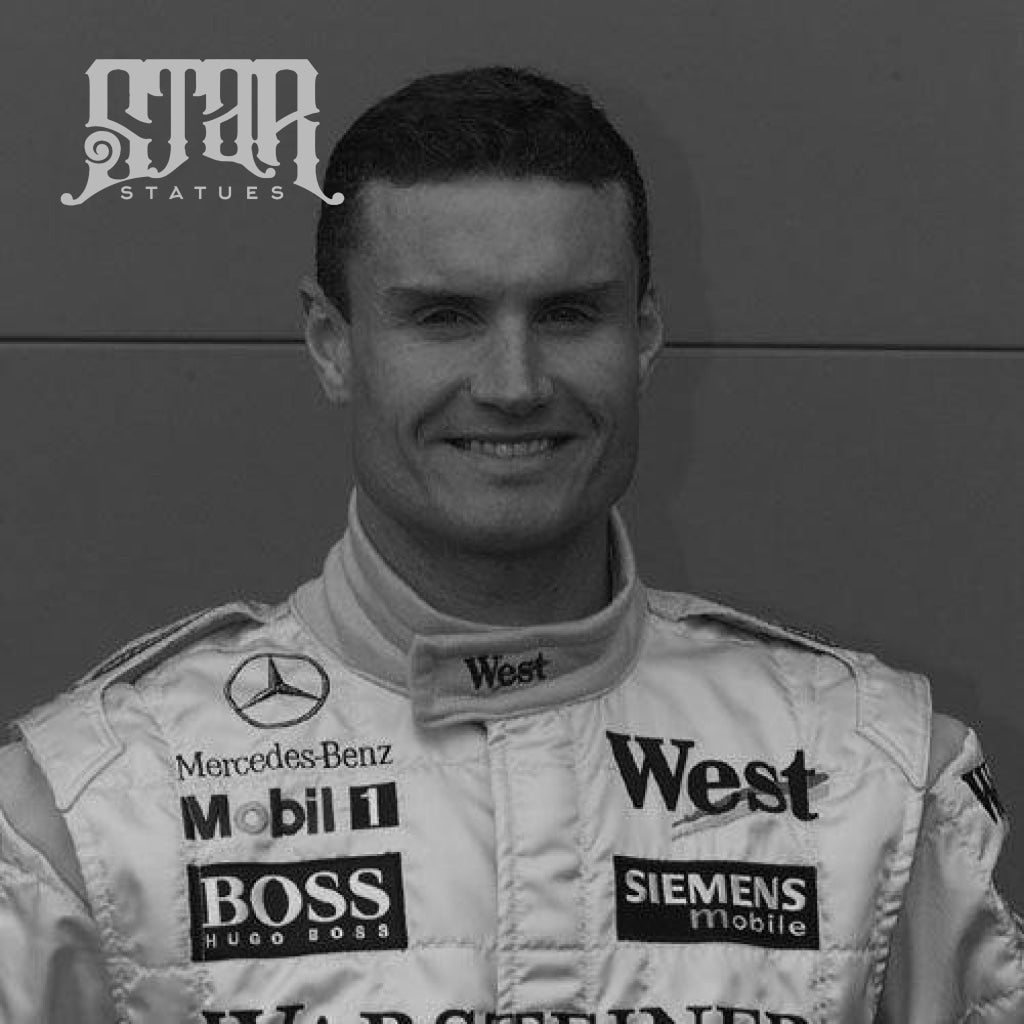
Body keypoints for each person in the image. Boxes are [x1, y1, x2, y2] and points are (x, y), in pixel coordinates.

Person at [0, 66, 1020, 1024]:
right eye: (444, 316)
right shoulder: (83, 813)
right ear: (331, 342)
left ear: (644, 335)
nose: (513, 383)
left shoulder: (878, 776)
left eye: (569, 314)